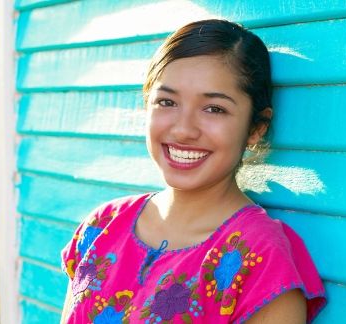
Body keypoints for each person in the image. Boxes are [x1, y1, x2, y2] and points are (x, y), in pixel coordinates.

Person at [61, 19, 326, 323]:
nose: (184, 129)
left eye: (214, 108)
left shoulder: (259, 256)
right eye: (167, 101)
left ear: (256, 127)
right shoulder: (103, 226)